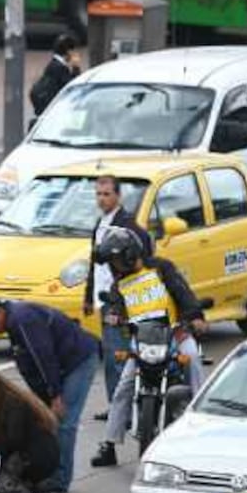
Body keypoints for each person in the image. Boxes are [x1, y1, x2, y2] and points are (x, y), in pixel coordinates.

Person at [91, 227, 208, 468]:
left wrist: (195, 316)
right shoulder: (118, 287)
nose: (114, 265)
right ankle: (109, 444)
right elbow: (116, 309)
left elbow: (182, 292)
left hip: (175, 334)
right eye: (111, 261)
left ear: (129, 254)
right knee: (124, 387)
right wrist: (114, 316)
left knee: (194, 360)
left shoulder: (161, 268)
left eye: (116, 259)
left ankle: (202, 423)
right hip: (141, 343)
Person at [0, 297, 97, 493]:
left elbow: (43, 357)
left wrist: (55, 395)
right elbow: (28, 365)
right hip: (61, 366)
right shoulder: (13, 323)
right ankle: (49, 471)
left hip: (78, 361)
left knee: (64, 421)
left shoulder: (23, 320)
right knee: (47, 418)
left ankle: (60, 479)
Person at [82, 174, 152, 421]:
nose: (102, 199)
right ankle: (116, 405)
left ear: (118, 196)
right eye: (98, 194)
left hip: (123, 303)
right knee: (111, 357)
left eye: (106, 194)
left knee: (120, 356)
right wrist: (88, 297)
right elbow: (95, 264)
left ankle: (126, 408)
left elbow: (146, 258)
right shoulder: (100, 225)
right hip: (104, 301)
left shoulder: (129, 227)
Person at [29, 33, 81, 117]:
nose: (76, 54)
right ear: (69, 51)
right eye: (74, 51)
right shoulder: (60, 68)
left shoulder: (53, 64)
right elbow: (73, 86)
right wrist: (76, 68)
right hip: (54, 109)